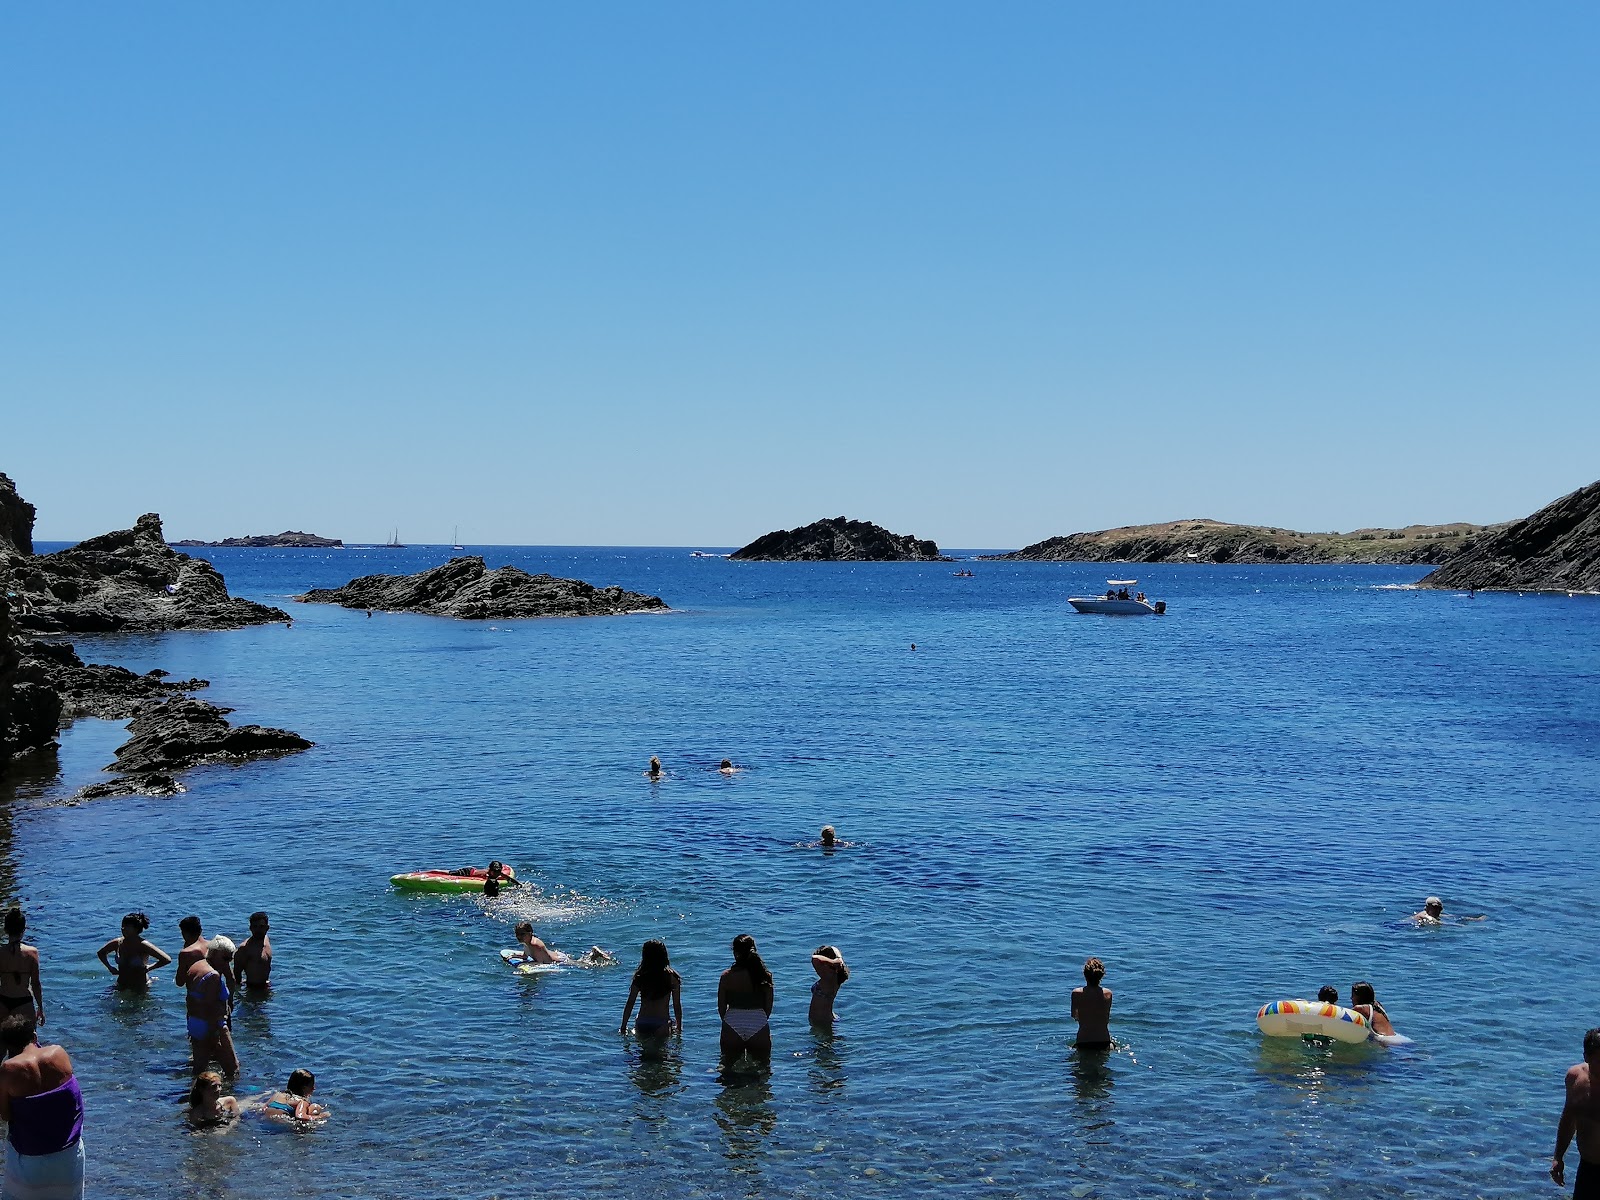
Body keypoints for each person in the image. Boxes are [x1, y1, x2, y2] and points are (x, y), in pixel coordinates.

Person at [0, 1014, 83, 1198]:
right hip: (69, 1153)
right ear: (35, 1037)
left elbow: (5, 1115)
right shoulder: (58, 1052)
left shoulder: (8, 1069)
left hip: (31, 1159)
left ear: (7, 1046)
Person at [1552, 1028, 1600, 1194]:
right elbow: (1569, 1118)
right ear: (1586, 1056)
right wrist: (1558, 1156)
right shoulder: (1575, 1078)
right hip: (1587, 1168)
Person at [185, 938, 239, 1078]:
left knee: (199, 1069)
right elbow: (210, 1007)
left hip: (195, 1023)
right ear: (214, 953)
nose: (227, 963)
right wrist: (214, 1035)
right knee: (232, 1069)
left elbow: (190, 999)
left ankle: (193, 1096)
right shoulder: (213, 976)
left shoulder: (196, 966)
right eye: (225, 958)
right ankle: (236, 1096)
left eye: (230, 959)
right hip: (213, 1026)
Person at [718, 934, 774, 1062]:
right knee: (762, 1071)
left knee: (727, 1070)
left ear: (735, 952)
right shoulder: (764, 975)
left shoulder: (727, 976)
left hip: (732, 1020)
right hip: (758, 1020)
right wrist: (758, 1019)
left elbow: (721, 1007)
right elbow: (768, 1006)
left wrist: (728, 1022)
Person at [620, 940, 682, 1037]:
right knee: (662, 1051)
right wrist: (679, 1027)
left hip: (642, 1023)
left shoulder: (640, 976)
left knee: (643, 1051)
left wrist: (623, 1026)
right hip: (662, 1024)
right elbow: (676, 1005)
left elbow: (630, 1003)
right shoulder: (672, 977)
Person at [96, 912, 172, 992]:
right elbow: (101, 953)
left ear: (136, 929)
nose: (123, 928)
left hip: (140, 985)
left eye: (127, 926)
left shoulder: (143, 945)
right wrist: (110, 967)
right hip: (121, 983)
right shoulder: (118, 943)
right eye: (123, 925)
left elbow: (166, 959)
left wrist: (149, 967)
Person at [0, 909, 44, 1026]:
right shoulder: (32, 953)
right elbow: (36, 984)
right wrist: (40, 1007)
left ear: (6, 930)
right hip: (23, 1002)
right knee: (29, 1041)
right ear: (23, 930)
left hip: (3, 1000)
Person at [1071, 957, 1114, 1049]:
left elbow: (1074, 1016)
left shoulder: (1076, 993)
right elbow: (1106, 1016)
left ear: (1085, 974)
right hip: (1104, 1041)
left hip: (1083, 1041)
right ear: (1102, 975)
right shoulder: (1108, 994)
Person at [260, 1069, 326, 1122]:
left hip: (266, 1120)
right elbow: (300, 1116)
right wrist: (321, 1116)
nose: (314, 1088)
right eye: (311, 1086)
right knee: (314, 1108)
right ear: (304, 1088)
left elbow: (264, 1108)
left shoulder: (277, 1094)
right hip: (282, 1125)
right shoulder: (301, 1101)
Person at [808, 946, 848, 1026]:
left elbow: (814, 958)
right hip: (822, 1018)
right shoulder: (829, 978)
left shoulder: (830, 978)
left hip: (824, 1020)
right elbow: (834, 949)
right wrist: (838, 959)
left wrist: (835, 961)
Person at [234, 912, 272, 991]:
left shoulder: (266, 939)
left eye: (261, 927)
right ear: (250, 928)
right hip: (252, 990)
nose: (258, 930)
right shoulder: (244, 949)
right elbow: (237, 974)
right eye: (255, 927)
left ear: (267, 928)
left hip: (266, 986)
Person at [174, 916, 208, 990]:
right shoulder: (212, 946)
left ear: (184, 933)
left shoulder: (186, 953)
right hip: (217, 992)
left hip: (198, 995)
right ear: (200, 930)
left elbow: (179, 982)